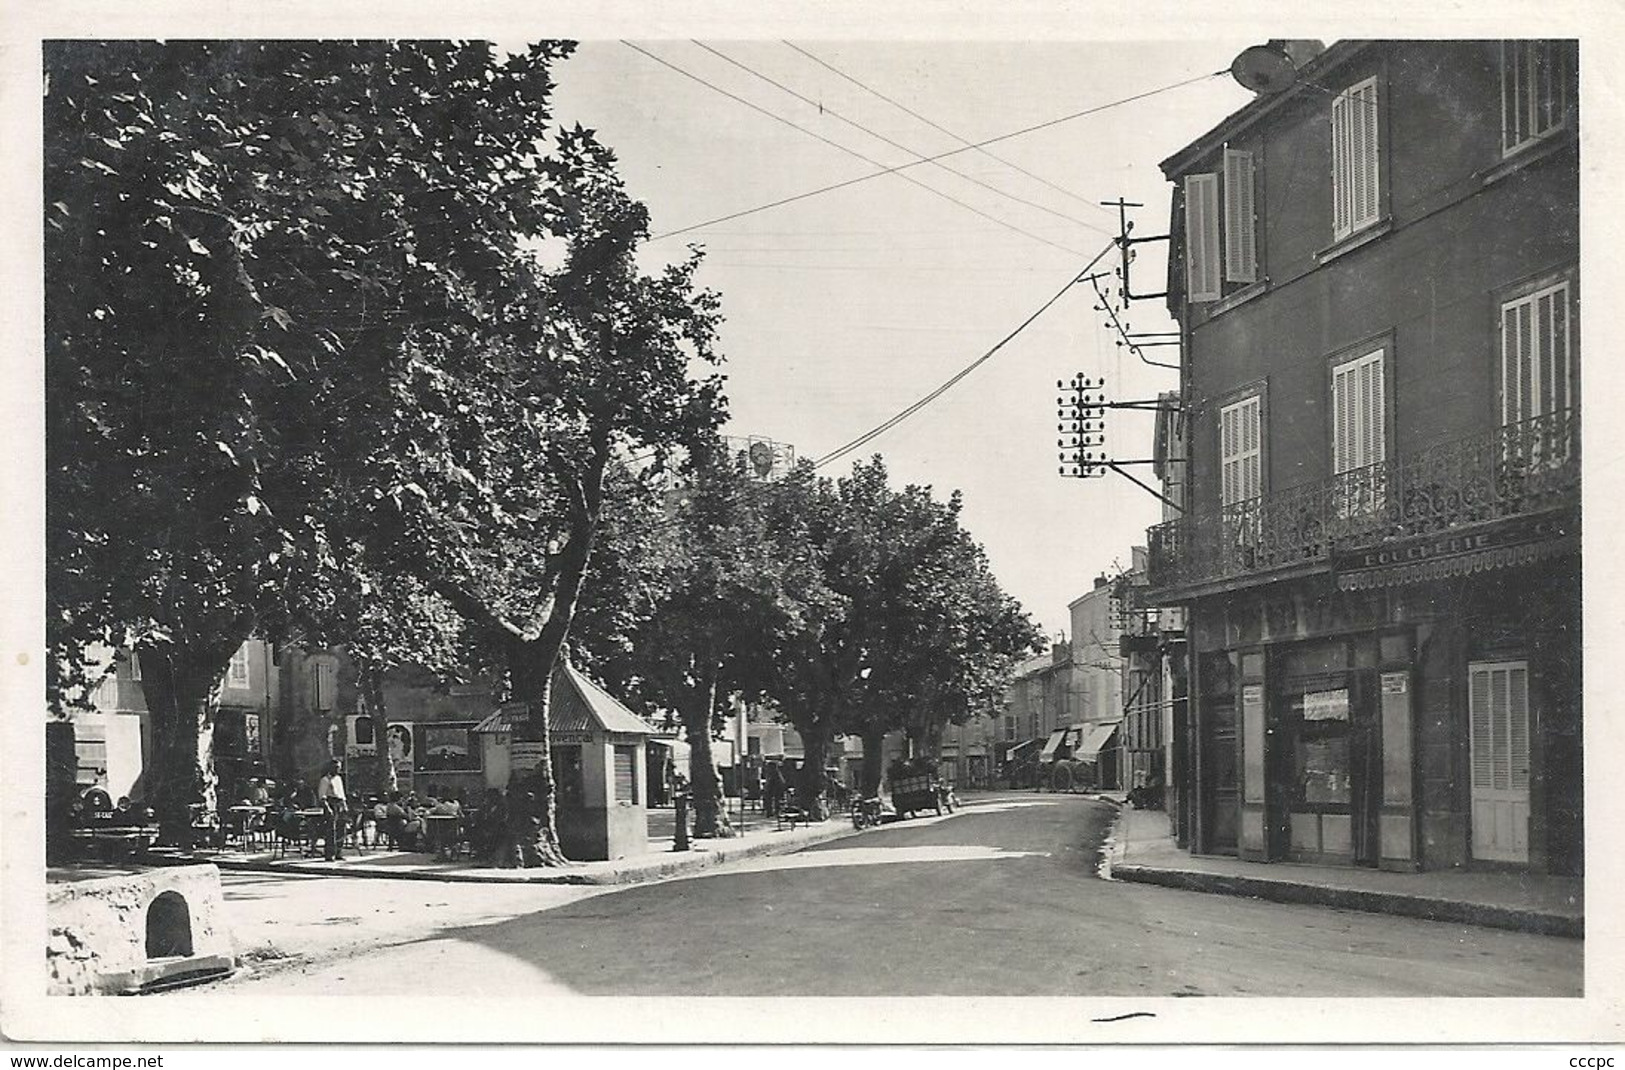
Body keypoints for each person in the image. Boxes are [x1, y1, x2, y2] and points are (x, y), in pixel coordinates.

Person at [315, 759, 348, 861]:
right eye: (335, 767)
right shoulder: (325, 780)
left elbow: (342, 794)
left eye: (339, 767)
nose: (337, 769)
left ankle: (339, 852)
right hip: (330, 804)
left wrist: (344, 806)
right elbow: (322, 796)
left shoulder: (338, 779)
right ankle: (330, 854)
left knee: (341, 829)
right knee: (331, 831)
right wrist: (328, 808)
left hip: (339, 804)